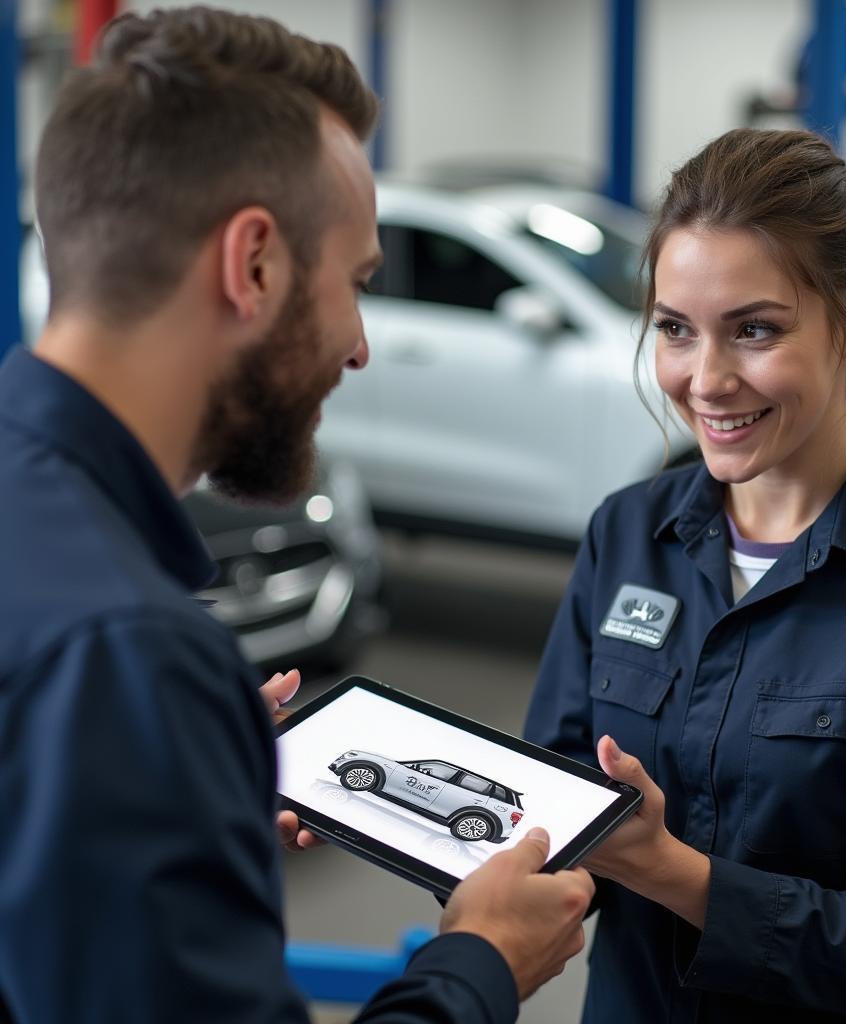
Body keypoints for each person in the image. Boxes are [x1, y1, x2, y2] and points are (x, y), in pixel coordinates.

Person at [0, 8, 593, 1023]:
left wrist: (188, 782)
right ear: (256, 265)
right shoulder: (125, 655)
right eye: (357, 284)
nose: (359, 346)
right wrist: (479, 964)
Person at [524, 127, 846, 1023]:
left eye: (754, 330)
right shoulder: (627, 534)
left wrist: (668, 870)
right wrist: (352, 788)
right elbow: (552, 802)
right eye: (676, 330)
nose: (706, 380)